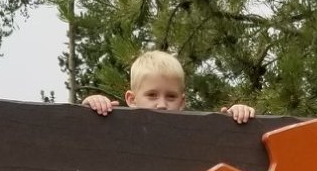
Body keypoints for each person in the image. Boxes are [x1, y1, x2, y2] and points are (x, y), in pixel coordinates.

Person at [79, 48, 257, 124]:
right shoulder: (118, 130)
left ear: (182, 101)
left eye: (171, 96)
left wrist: (236, 116)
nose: (162, 104)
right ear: (131, 99)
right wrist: (90, 106)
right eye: (152, 95)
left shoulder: (193, 134)